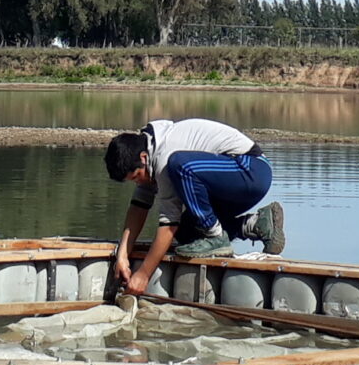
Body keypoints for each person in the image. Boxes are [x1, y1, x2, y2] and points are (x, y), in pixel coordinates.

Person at [105, 118, 283, 295]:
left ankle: (215, 236)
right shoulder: (146, 154)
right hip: (230, 181)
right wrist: (122, 255)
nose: (139, 182)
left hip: (252, 170)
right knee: (186, 233)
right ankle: (254, 224)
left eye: (136, 177)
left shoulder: (163, 158)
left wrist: (143, 275)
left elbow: (168, 225)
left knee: (181, 165)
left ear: (143, 158)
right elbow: (139, 207)